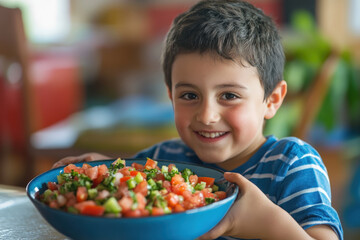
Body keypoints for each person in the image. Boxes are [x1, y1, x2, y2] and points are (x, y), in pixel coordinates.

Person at [53, 1, 343, 239]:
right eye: (190, 96)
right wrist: (104, 174)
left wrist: (267, 222)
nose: (206, 115)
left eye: (229, 96)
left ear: (272, 100)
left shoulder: (292, 164)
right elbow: (130, 187)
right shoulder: (164, 158)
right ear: (170, 95)